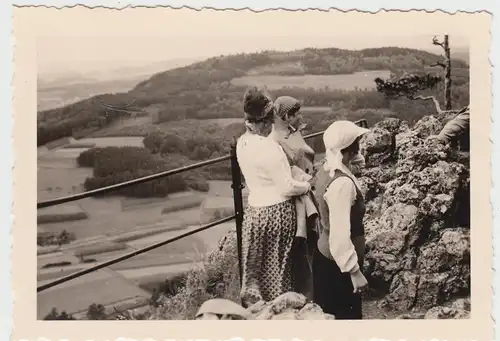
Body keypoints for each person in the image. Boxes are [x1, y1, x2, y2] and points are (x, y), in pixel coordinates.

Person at [236, 87, 312, 307]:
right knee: (279, 272)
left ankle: (259, 313)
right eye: (270, 120)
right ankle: (281, 314)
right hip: (277, 215)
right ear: (266, 120)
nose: (272, 125)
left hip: (255, 215)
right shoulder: (269, 148)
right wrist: (306, 185)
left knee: (256, 275)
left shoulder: (242, 143)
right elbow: (286, 188)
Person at [312, 120, 370, 320]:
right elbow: (339, 236)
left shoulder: (327, 168)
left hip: (325, 258)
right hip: (338, 268)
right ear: (349, 150)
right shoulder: (342, 184)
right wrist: (354, 272)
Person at [268, 95, 319, 301]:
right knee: (302, 249)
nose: (300, 116)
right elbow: (288, 172)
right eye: (296, 113)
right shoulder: (275, 141)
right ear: (286, 116)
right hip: (296, 197)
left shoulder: (291, 133)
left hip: (308, 187)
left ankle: (313, 293)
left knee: (313, 246)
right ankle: (304, 296)